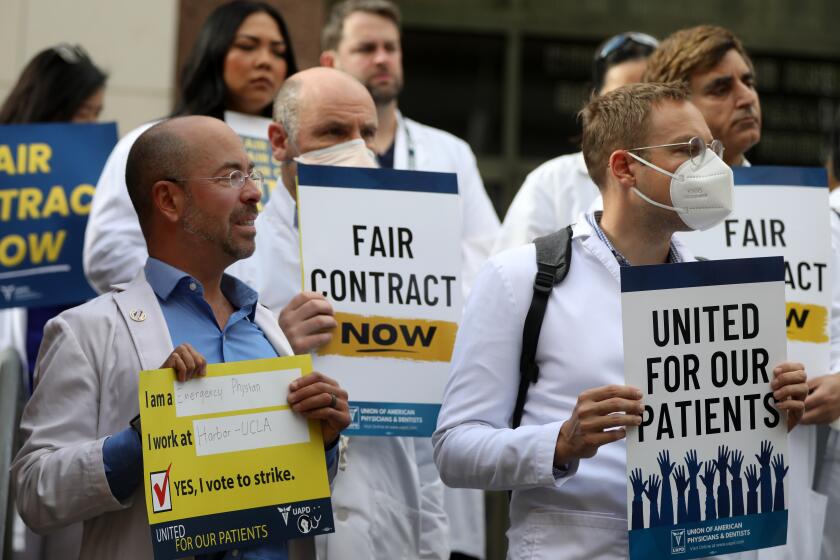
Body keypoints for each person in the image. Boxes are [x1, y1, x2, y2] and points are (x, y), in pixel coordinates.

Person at [432, 82, 810, 559]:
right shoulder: (522, 278)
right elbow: (454, 449)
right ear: (624, 167)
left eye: (710, 148)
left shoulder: (721, 293)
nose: (711, 165)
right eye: (687, 150)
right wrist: (560, 443)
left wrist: (769, 417)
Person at [12, 115, 351, 560]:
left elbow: (290, 497)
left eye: (252, 174)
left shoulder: (267, 327)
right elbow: (36, 493)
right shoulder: (86, 331)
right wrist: (144, 439)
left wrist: (323, 442)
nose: (254, 193)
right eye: (232, 176)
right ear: (169, 200)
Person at [228, 66, 450, 560]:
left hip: (389, 522)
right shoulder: (239, 257)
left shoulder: (411, 248)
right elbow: (206, 410)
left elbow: (423, 431)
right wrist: (277, 345)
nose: (357, 148)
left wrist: (433, 546)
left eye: (367, 134)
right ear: (279, 142)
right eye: (333, 132)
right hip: (278, 520)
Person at [644, 26, 840, 559]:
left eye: (748, 81)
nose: (746, 96)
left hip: (789, 458)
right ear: (674, 108)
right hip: (681, 467)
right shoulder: (644, 217)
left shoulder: (812, 215)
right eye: (720, 86)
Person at [318, 3, 498, 557]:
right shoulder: (309, 156)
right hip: (336, 400)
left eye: (391, 48)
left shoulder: (450, 153)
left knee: (429, 526)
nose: (382, 59)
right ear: (331, 60)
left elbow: (486, 262)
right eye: (366, 48)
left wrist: (417, 295)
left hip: (428, 378)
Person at [83, 0, 296, 294]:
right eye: (247, 46)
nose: (265, 61)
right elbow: (110, 254)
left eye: (278, 51)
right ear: (214, 51)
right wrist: (202, 305)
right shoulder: (150, 143)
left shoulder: (299, 156)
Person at [493, 31, 658, 253]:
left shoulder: (686, 178)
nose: (636, 111)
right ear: (595, 101)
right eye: (622, 97)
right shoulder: (551, 182)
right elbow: (515, 276)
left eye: (650, 96)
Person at [0, 43, 108, 374]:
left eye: (97, 114)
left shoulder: (100, 173)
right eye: (82, 113)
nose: (90, 125)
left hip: (70, 327)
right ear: (47, 107)